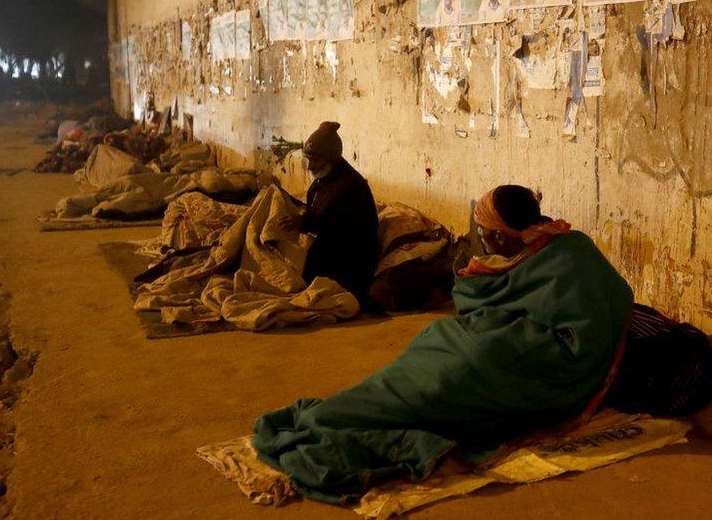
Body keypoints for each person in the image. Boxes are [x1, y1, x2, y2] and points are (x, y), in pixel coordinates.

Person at [253, 185, 635, 503]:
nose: (480, 240)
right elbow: (495, 300)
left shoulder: (571, 251)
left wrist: (512, 328)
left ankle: (341, 417)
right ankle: (346, 411)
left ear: (502, 235)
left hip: (564, 360)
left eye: (483, 233)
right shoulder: (527, 250)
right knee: (437, 337)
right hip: (518, 339)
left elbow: (603, 310)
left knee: (465, 360)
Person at [281, 121, 379, 305]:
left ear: (331, 158)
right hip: (329, 254)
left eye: (315, 160)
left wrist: (304, 223)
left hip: (351, 263)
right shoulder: (321, 182)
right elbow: (316, 213)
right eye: (308, 159)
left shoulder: (352, 187)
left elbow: (342, 230)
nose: (309, 166)